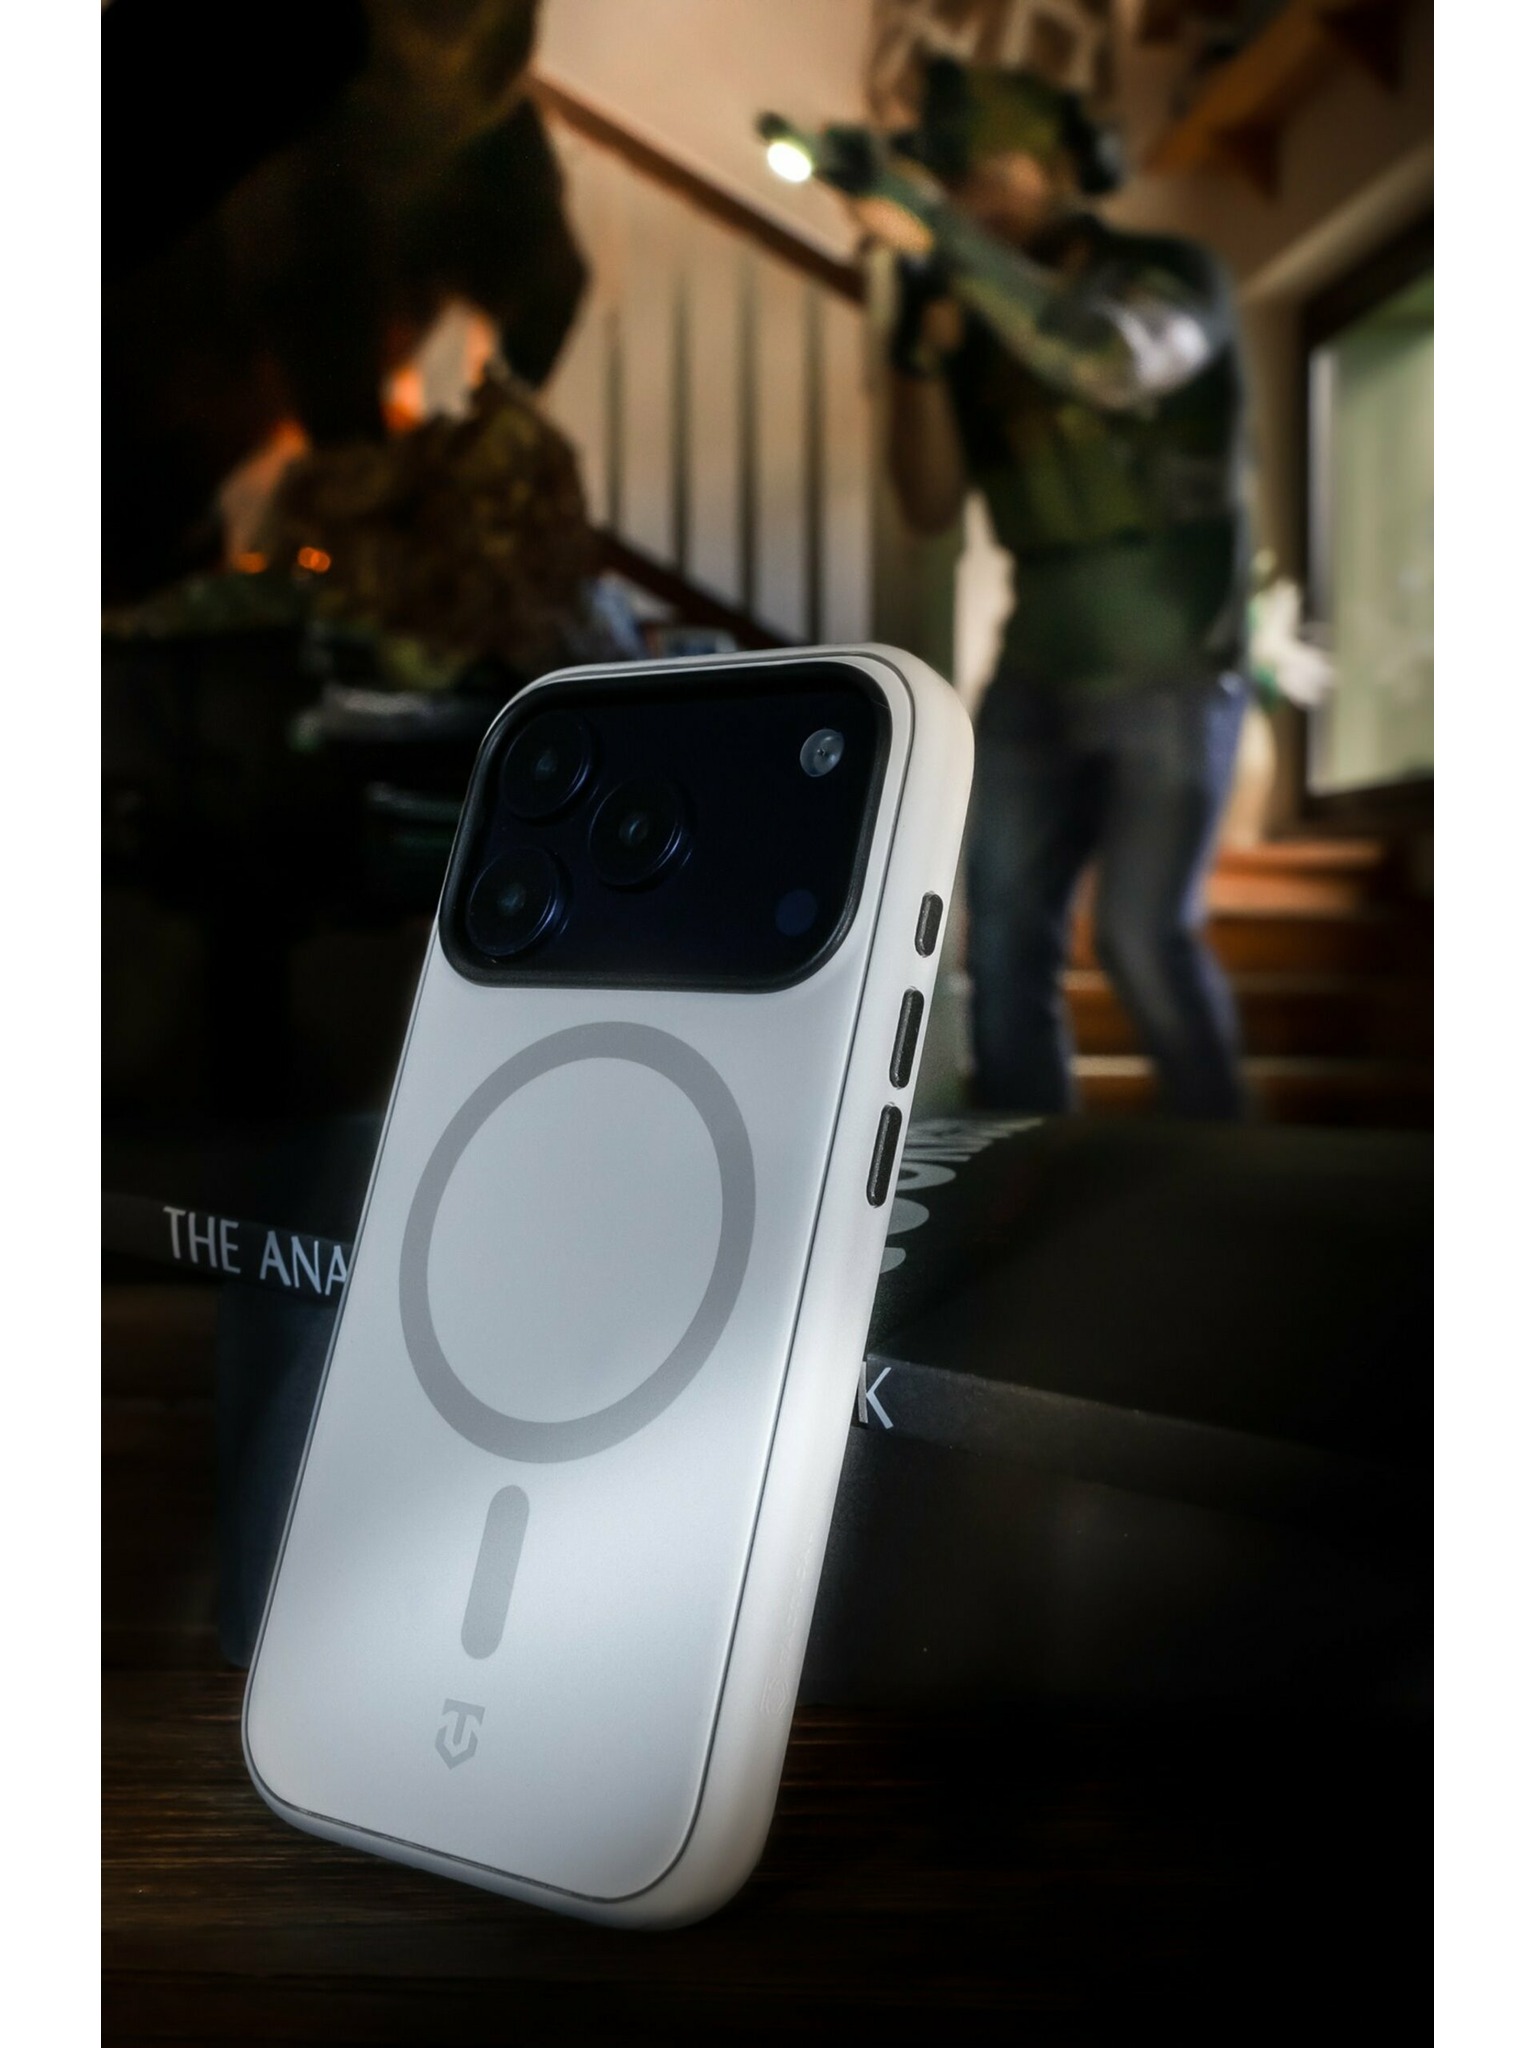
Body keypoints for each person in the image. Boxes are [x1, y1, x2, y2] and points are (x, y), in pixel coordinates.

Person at [855, 59, 1250, 1118]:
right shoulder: (971, 310)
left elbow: (1112, 361)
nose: (969, 195)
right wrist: (917, 348)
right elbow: (927, 501)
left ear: (1062, 167)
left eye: (991, 171)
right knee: (1001, 944)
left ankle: (1228, 1174)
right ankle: (1022, 1175)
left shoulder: (1170, 274)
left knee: (1142, 938)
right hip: (1038, 668)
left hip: (1173, 663)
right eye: (953, 178)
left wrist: (943, 239)